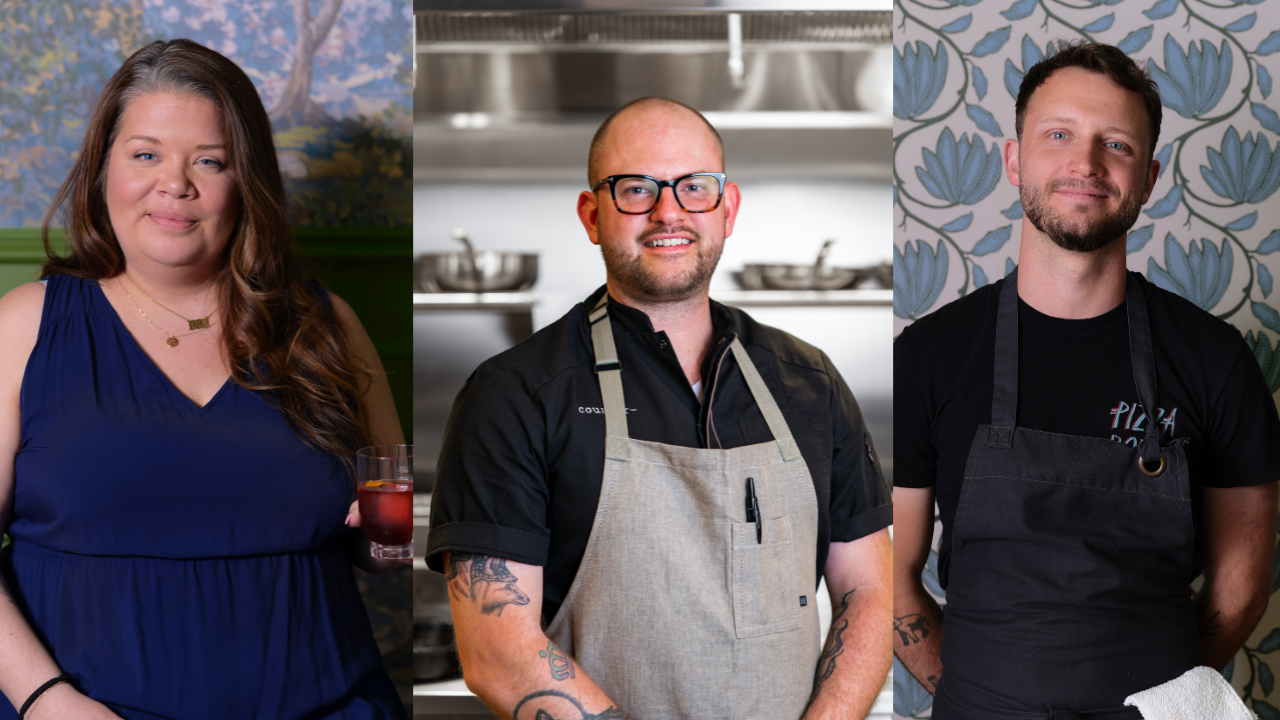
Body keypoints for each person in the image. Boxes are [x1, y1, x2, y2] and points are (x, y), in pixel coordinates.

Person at [425, 96, 892, 720]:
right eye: (636, 189)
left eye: (694, 186)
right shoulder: (514, 394)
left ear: (727, 208)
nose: (668, 211)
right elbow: (497, 653)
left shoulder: (809, 382)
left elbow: (871, 592)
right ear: (592, 215)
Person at [0, 40, 407, 720]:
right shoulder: (24, 326)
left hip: (329, 706)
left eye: (210, 161)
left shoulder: (328, 325)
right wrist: (47, 701)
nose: (176, 184)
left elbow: (386, 535)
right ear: (103, 170)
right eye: (145, 154)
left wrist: (387, 539)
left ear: (246, 182)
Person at [893, 40, 1280, 719]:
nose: (1086, 164)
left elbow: (1238, 589)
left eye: (1118, 145)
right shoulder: (926, 357)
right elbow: (889, 576)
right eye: (1059, 134)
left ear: (1150, 177)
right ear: (1014, 159)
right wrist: (978, 692)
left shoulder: (1215, 361)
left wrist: (1162, 702)